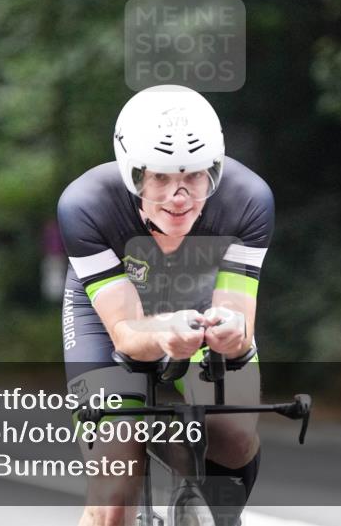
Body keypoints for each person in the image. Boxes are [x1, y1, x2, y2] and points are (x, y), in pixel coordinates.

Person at [58, 84, 275, 526]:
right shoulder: (86, 206)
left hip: (196, 311)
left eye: (195, 176)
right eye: (160, 177)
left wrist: (232, 334)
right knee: (116, 485)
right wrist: (163, 333)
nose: (179, 197)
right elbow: (127, 335)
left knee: (233, 438)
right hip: (112, 322)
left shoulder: (248, 200)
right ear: (131, 173)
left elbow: (238, 323)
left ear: (215, 168)